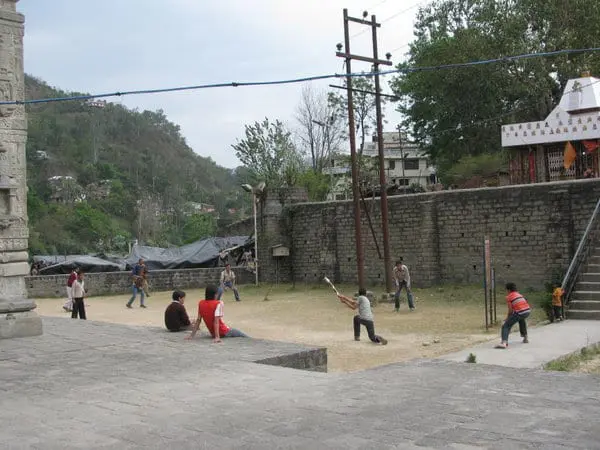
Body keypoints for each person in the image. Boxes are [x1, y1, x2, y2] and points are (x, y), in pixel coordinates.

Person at [496, 282, 531, 349]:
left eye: (506, 290)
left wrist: (507, 318)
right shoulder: (519, 294)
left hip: (520, 312)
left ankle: (504, 343)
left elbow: (510, 310)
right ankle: (525, 338)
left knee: (506, 326)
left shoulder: (509, 297)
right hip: (527, 311)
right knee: (521, 320)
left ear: (508, 290)